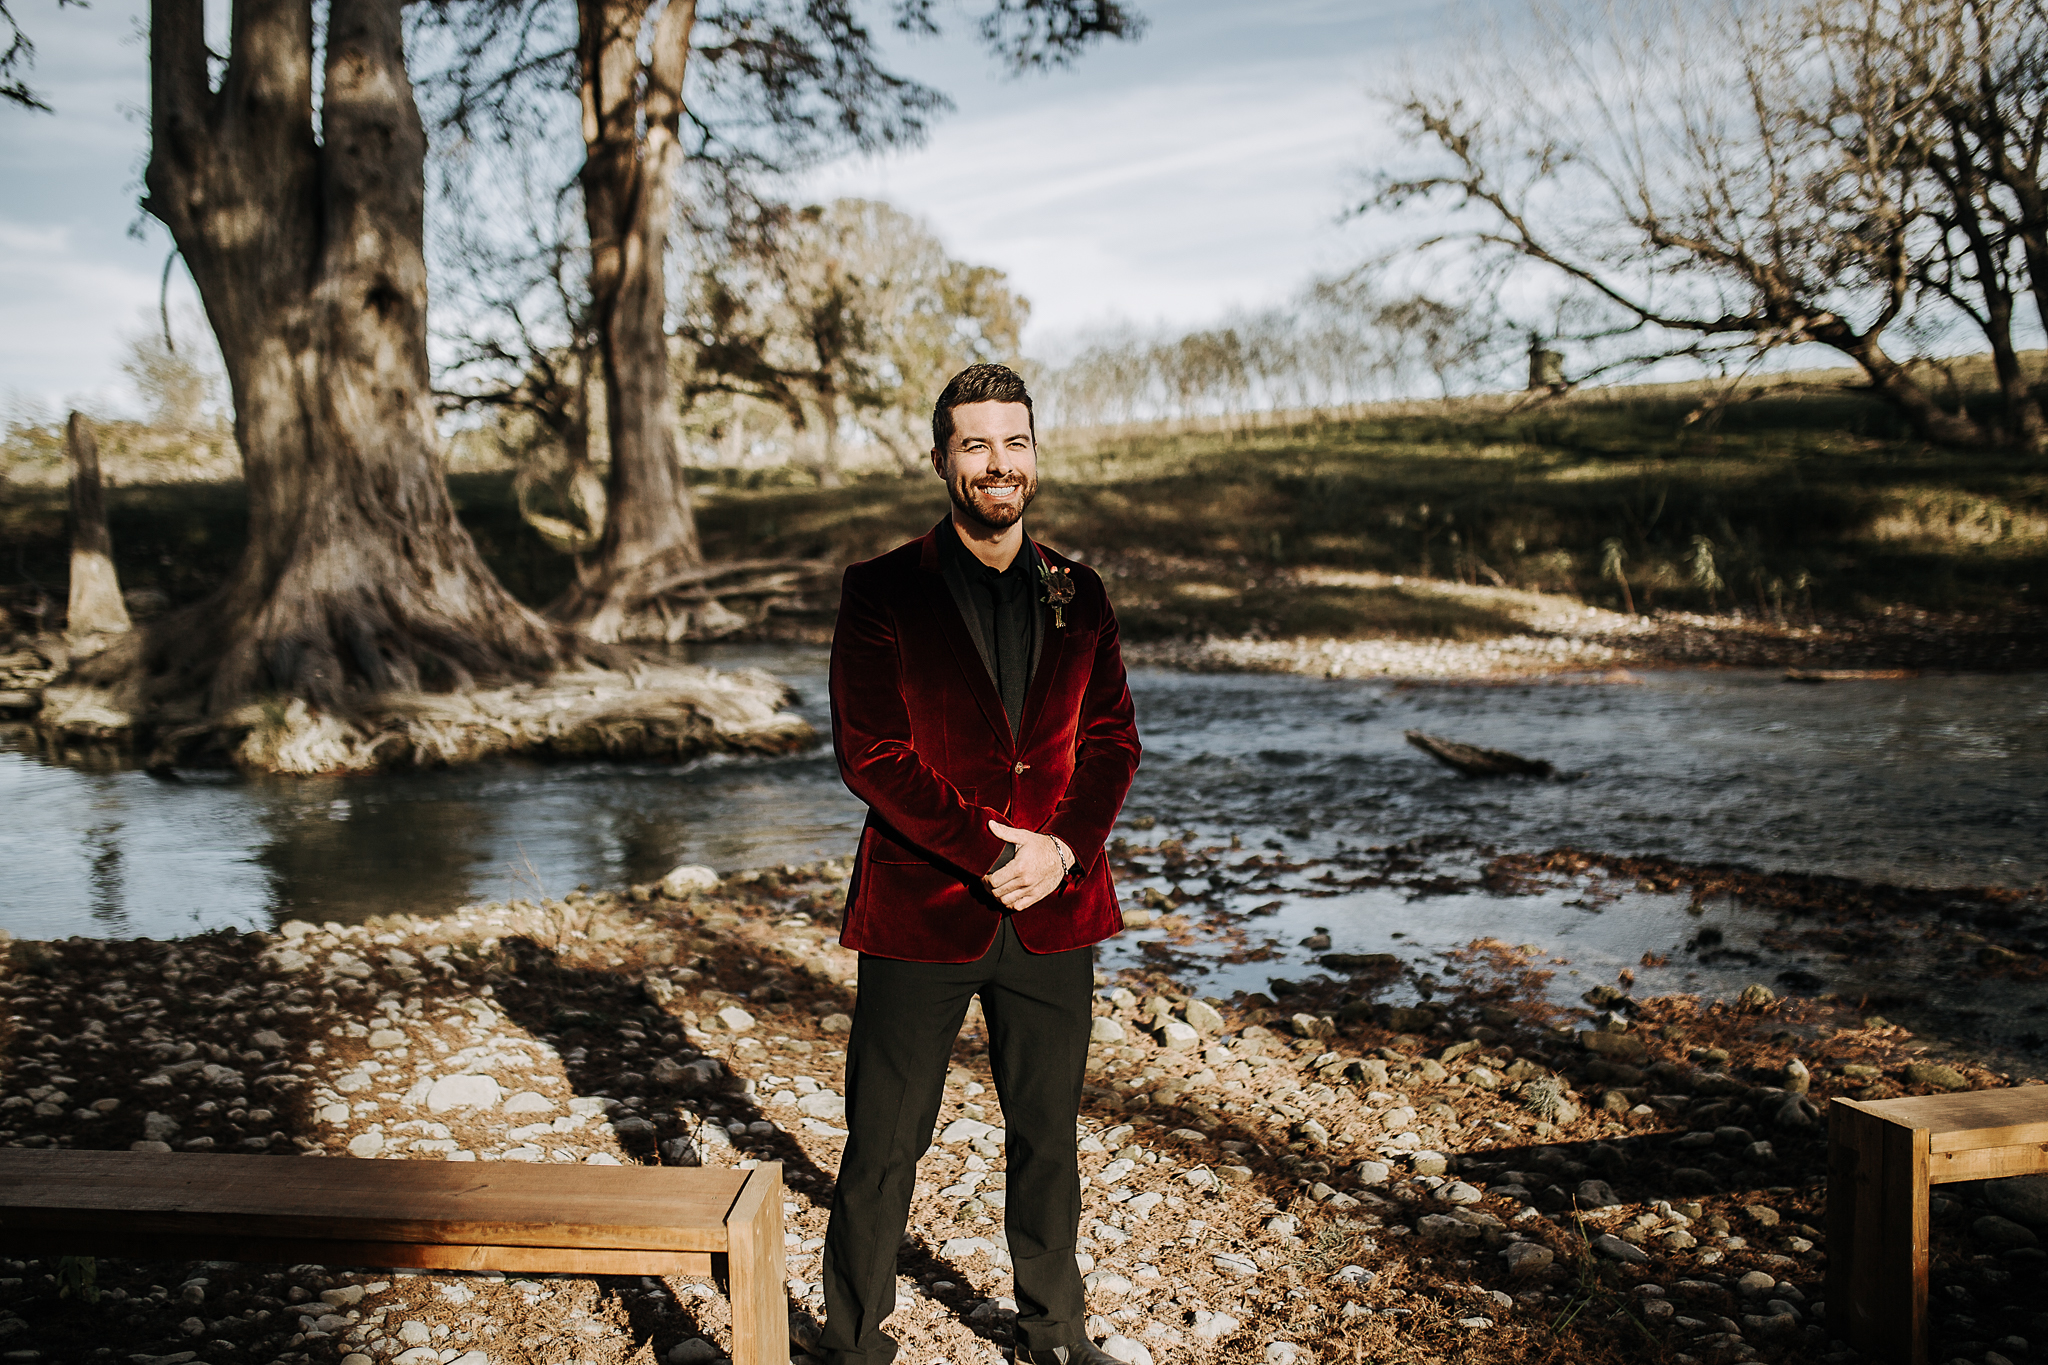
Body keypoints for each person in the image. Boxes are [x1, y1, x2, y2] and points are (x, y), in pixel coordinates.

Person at [818, 363, 1143, 1365]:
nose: (997, 465)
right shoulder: (880, 592)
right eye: (975, 445)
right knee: (882, 1148)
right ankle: (855, 1344)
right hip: (921, 911)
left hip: (1055, 912)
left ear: (1033, 456)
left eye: (1014, 443)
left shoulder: (1078, 592)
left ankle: (1054, 1334)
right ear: (940, 460)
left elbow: (1112, 742)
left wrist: (1061, 851)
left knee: (1046, 1141)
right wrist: (989, 847)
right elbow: (870, 752)